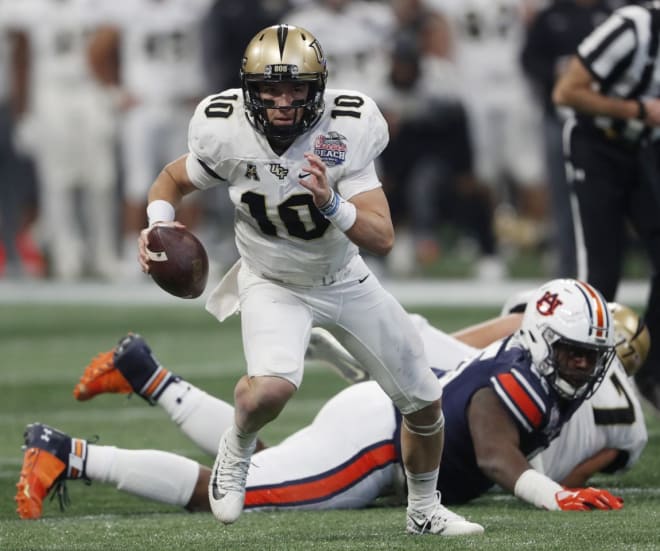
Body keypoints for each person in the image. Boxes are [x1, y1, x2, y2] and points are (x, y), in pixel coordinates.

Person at [133, 24, 481, 536]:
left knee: (424, 401)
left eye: (296, 88)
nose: (282, 101)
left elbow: (382, 237)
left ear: (317, 89)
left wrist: (331, 203)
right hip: (271, 277)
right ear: (248, 92)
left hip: (343, 277)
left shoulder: (347, 125)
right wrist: (159, 222)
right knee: (266, 393)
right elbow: (172, 179)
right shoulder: (224, 128)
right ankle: (239, 444)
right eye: (269, 89)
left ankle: (424, 511)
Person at [16, 278, 632, 521]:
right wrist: (557, 496)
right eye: (573, 350)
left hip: (373, 422)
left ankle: (145, 374)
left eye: (590, 353)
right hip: (378, 447)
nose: (584, 363)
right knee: (229, 494)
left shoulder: (527, 364)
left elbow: (422, 351)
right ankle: (67, 455)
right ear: (542, 339)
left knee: (250, 465)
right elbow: (499, 459)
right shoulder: (520, 381)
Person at [552, 1, 660, 412]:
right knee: (601, 272)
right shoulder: (636, 27)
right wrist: (635, 109)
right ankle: (578, 384)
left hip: (645, 146)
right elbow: (565, 91)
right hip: (596, 146)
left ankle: (650, 372)